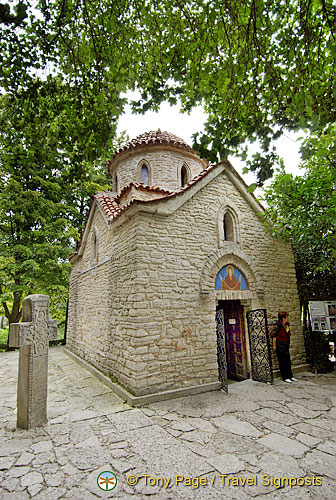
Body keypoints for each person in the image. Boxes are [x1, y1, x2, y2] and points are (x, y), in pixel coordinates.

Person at [272, 311, 298, 383]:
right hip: (280, 345)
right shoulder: (278, 325)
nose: (287, 318)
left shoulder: (287, 325)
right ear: (283, 318)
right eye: (286, 317)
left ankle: (290, 376)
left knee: (288, 361)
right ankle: (285, 377)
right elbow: (272, 332)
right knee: (282, 361)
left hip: (285, 344)